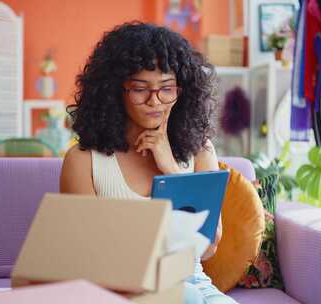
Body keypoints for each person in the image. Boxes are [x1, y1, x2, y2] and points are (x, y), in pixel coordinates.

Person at [60, 22, 237, 304]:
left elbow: (208, 248)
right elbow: (87, 257)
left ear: (182, 91)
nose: (155, 101)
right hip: (121, 290)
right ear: (116, 90)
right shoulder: (83, 161)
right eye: (140, 89)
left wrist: (171, 169)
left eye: (167, 89)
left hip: (193, 283)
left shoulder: (201, 151)